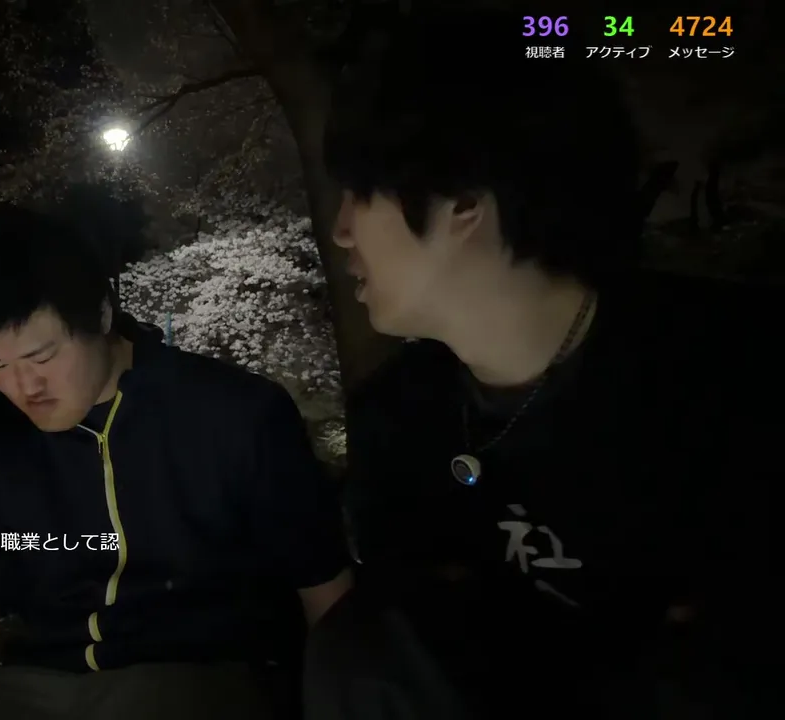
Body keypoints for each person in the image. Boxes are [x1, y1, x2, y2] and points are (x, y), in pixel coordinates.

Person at [305, 10, 777, 720]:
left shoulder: (735, 379)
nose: (341, 230)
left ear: (465, 202)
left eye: (360, 193)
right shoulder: (399, 422)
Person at [0, 208, 353, 720]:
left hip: (199, 683)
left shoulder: (234, 413)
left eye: (42, 357)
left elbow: (324, 588)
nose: (25, 387)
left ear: (101, 315)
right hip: (38, 687)